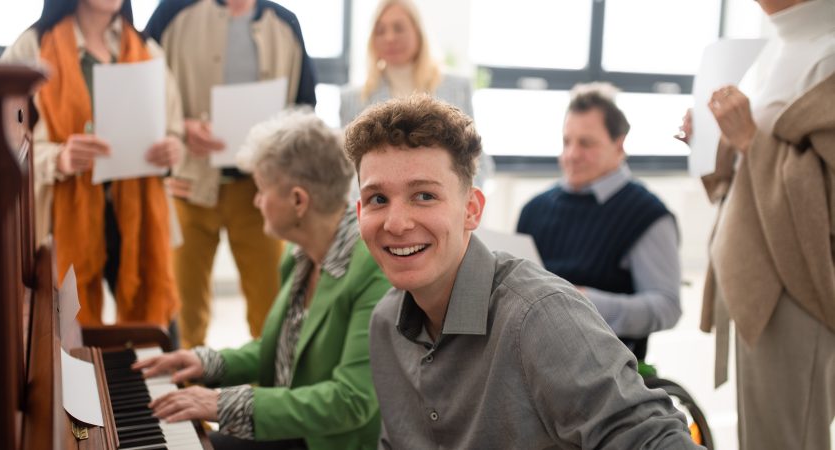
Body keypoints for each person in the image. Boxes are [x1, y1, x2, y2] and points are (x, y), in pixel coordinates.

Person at [346, 95, 701, 449]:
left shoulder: (540, 317)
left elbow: (656, 440)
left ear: (471, 210)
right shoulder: (385, 323)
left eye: (424, 196)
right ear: (360, 211)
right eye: (378, 199)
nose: (395, 223)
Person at [133, 110, 389, 450]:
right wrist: (205, 363)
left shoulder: (373, 271)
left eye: (261, 190)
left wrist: (221, 403)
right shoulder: (299, 255)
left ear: (298, 200)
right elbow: (281, 348)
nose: (255, 201)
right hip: (289, 430)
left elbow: (350, 400)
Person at [679, 0, 835, 448]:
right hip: (759, 280)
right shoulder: (777, 49)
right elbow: (750, 174)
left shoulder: (827, 53)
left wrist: (749, 138)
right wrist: (717, 142)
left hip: (796, 288)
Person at [144, 0, 317, 349]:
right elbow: (140, 89)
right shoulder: (172, 13)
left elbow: (304, 107)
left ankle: (267, 394)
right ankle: (189, 389)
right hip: (188, 187)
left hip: (261, 191)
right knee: (185, 309)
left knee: (272, 307)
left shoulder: (285, 23)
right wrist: (181, 127)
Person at [1, 0, 182, 326]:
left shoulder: (146, 48)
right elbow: (2, 136)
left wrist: (172, 149)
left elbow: (173, 129)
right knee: (64, 327)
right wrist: (58, 158)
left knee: (157, 327)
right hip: (61, 215)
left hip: (136, 210)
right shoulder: (32, 46)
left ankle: (155, 375)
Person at [517, 83, 681, 361]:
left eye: (586, 143)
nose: (571, 154)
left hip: (601, 366)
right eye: (567, 142)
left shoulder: (646, 215)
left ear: (620, 144)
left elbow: (666, 307)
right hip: (529, 354)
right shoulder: (534, 209)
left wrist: (583, 303)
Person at [339, 0, 493, 187]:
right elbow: (350, 172)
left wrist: (461, 205)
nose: (389, 37)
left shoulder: (457, 88)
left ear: (418, 32)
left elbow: (477, 160)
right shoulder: (353, 99)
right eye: (380, 31)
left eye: (399, 28)